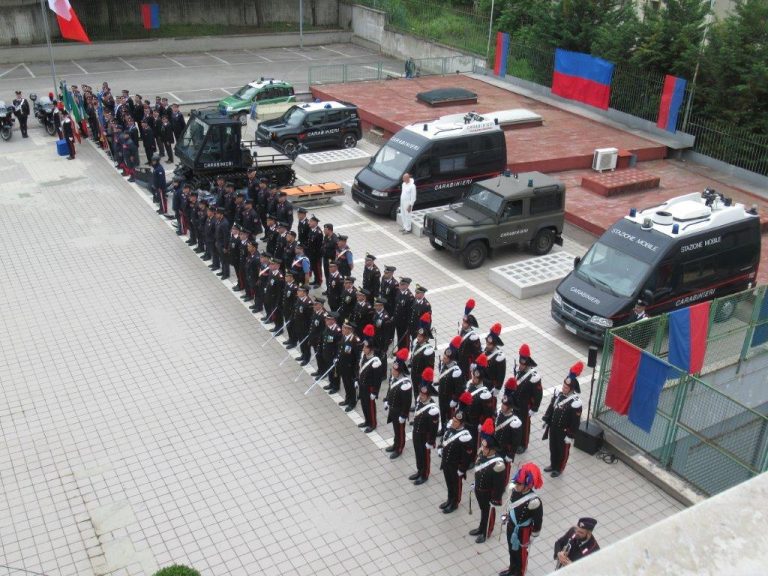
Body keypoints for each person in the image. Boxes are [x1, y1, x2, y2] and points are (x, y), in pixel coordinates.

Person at [500, 463, 544, 576]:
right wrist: (507, 517)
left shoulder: (534, 501)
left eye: (519, 484)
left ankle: (519, 572)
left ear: (528, 485)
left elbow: (538, 521)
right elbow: (511, 506)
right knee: (512, 550)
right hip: (511, 526)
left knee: (521, 554)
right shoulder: (515, 491)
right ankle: (512, 569)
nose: (516, 485)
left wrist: (533, 536)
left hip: (523, 531)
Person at [542, 362, 583, 478]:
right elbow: (551, 407)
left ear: (571, 389)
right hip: (554, 428)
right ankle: (553, 464)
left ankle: (559, 468)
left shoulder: (575, 403)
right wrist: (546, 419)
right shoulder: (559, 395)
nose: (563, 388)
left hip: (563, 431)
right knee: (553, 447)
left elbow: (575, 422)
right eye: (563, 386)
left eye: (566, 387)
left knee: (562, 451)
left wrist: (570, 435)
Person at [470, 419, 506, 543]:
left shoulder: (498, 464)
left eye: (486, 448)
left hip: (488, 493)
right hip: (479, 489)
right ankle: (481, 528)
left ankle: (487, 532)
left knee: (488, 513)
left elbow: (499, 485)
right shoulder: (482, 454)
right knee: (482, 510)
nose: (483, 450)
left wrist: (496, 499)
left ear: (492, 449)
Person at [438, 393, 473, 514]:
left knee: (455, 485)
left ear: (462, 423)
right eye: (453, 420)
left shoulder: (465, 436)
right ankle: (449, 499)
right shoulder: (450, 428)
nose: (453, 422)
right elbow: (444, 438)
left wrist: (462, 469)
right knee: (449, 483)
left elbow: (467, 456)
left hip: (455, 466)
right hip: (447, 463)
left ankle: (455, 503)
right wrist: (440, 448)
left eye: (456, 422)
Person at [409, 368, 439, 485]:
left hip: (425, 436)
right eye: (420, 393)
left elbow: (433, 428)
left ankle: (424, 474)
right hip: (417, 433)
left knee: (425, 456)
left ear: (429, 395)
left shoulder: (433, 410)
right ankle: (419, 470)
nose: (421, 396)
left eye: (423, 394)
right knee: (418, 453)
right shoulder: (419, 400)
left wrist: (431, 441)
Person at [512, 343, 543, 454]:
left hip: (525, 405)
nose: (520, 365)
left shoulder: (534, 377)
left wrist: (534, 408)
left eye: (522, 364)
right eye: (520, 363)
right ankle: (515, 440)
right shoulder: (518, 368)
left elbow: (538, 394)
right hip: (516, 402)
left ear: (527, 363)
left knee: (524, 425)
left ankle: (523, 444)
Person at [384, 348, 412, 460]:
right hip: (393, 408)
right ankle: (395, 444)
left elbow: (407, 402)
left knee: (400, 431)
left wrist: (404, 415)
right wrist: (387, 400)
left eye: (394, 371)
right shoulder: (394, 378)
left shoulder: (405, 384)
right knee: (395, 429)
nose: (392, 372)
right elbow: (390, 390)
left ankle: (399, 448)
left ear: (399, 371)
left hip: (400, 411)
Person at [357, 326, 384, 433]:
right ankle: (367, 421)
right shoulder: (364, 356)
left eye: (366, 347)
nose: (364, 348)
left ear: (371, 349)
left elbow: (377, 380)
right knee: (364, 404)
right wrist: (356, 380)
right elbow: (359, 369)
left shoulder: (375, 362)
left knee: (370, 406)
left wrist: (375, 392)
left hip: (370, 388)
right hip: (362, 385)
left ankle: (373, 423)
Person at [436, 336, 464, 433]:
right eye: (443, 357)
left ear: (451, 359)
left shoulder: (456, 371)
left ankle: (448, 432)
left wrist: (455, 400)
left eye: (445, 358)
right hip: (442, 396)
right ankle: (443, 429)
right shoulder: (444, 365)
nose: (443, 359)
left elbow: (459, 388)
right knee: (443, 414)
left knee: (449, 417)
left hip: (449, 398)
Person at [495, 391, 523, 485]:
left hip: (505, 451)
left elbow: (516, 441)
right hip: (496, 448)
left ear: (510, 407)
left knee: (504, 471)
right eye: (502, 403)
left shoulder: (515, 422)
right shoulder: (500, 414)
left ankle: (503, 485)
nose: (502, 406)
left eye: (505, 405)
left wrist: (510, 455)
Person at [337, 320, 361, 412]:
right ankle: (347, 399)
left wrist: (356, 371)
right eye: (343, 327)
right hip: (343, 366)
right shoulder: (345, 337)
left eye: (344, 328)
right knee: (346, 384)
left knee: (351, 385)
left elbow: (357, 357)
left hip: (351, 368)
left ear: (350, 330)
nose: (342, 329)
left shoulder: (354, 340)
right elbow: (341, 350)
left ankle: (352, 402)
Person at [485, 323, 507, 410]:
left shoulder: (499, 357)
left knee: (490, 408)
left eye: (489, 344)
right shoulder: (486, 350)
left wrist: (497, 388)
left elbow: (501, 375)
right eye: (487, 343)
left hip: (491, 385)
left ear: (494, 345)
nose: (487, 345)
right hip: (483, 382)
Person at [458, 299, 481, 379]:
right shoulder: (461, 330)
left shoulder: (473, 337)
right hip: (459, 358)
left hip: (466, 361)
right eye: (463, 322)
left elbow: (477, 352)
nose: (463, 324)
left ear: (469, 324)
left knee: (465, 377)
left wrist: (474, 363)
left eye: (465, 323)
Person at [290, 285, 313, 354]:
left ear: (305, 293)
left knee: (305, 342)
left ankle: (306, 357)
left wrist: (308, 329)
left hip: (304, 327)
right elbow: (296, 310)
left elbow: (309, 317)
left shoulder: (308, 303)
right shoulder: (299, 299)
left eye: (300, 291)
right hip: (298, 324)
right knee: (300, 340)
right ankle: (303, 355)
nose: (297, 292)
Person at [393, 277, 414, 350]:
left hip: (404, 322)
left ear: (407, 286)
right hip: (398, 320)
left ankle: (404, 353)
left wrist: (408, 324)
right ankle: (400, 350)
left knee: (405, 340)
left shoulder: (410, 297)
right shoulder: (399, 292)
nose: (400, 286)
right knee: (399, 337)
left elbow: (410, 313)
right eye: (400, 284)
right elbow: (396, 306)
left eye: (402, 284)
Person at [214, 207, 231, 280]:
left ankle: (226, 274)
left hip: (223, 245)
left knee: (225, 260)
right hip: (219, 243)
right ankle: (223, 271)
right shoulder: (219, 221)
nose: (216, 215)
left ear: (221, 214)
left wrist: (225, 247)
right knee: (221, 258)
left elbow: (226, 237)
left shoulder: (224, 223)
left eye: (217, 214)